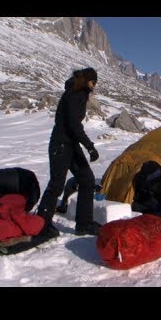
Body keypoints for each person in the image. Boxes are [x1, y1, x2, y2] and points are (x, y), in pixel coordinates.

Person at [35, 67, 102, 236]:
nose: (94, 86)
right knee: (56, 184)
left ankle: (84, 224)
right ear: (88, 80)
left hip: (71, 145)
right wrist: (90, 146)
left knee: (87, 179)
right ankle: (41, 225)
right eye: (94, 82)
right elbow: (74, 125)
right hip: (61, 145)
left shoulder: (79, 93)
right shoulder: (75, 94)